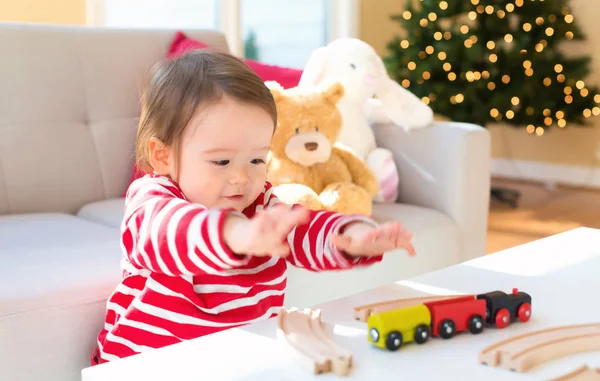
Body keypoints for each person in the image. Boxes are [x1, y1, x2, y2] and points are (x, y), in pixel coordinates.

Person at [91, 49, 416, 365]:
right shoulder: (151, 200)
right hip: (145, 365)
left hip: (240, 360)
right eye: (221, 161)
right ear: (162, 155)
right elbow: (172, 232)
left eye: (257, 159)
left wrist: (349, 235)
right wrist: (235, 233)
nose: (242, 177)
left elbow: (304, 229)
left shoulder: (261, 202)